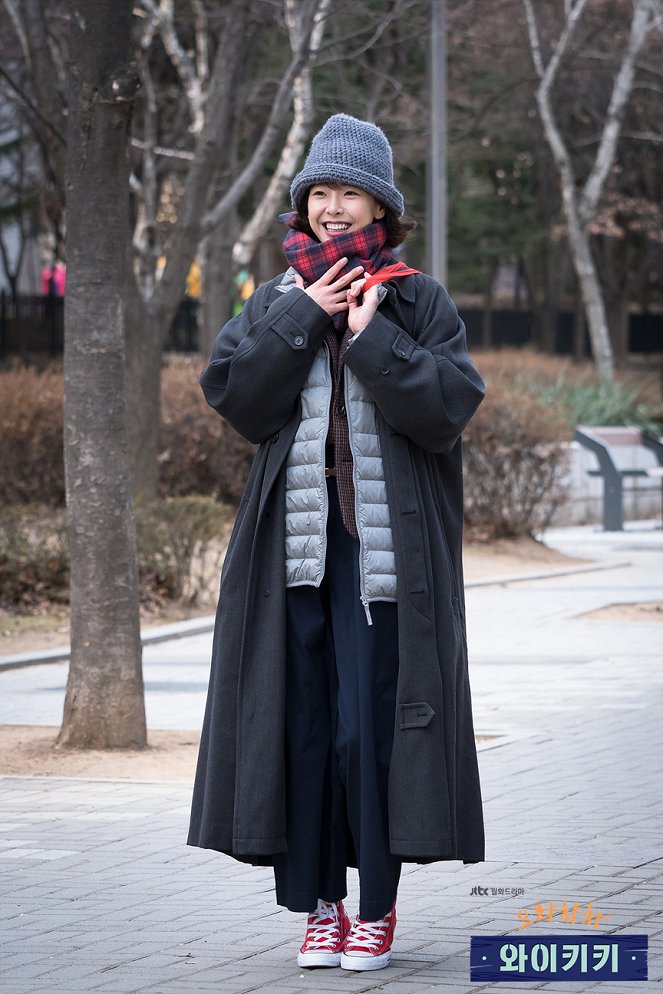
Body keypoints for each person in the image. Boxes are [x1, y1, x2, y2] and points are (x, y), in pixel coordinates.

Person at [188, 114, 486, 972]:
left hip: (384, 562)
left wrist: (368, 334)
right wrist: (299, 320)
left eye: (347, 192)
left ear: (379, 208)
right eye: (319, 192)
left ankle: (376, 909)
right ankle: (320, 907)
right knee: (304, 730)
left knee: (369, 732)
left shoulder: (415, 297)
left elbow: (445, 409)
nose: (331, 208)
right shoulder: (280, 294)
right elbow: (237, 401)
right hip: (294, 556)